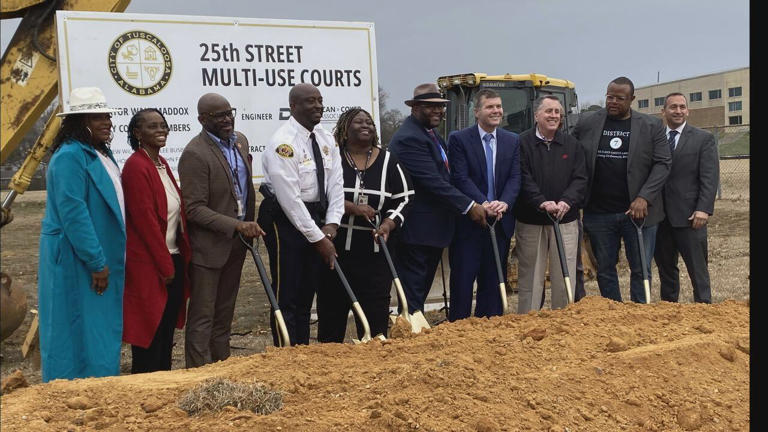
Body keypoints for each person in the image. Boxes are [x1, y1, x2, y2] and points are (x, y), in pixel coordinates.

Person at [37, 87, 125, 382]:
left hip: (98, 256)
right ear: (78, 121)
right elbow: (73, 213)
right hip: (76, 258)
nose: (107, 122)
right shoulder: (69, 157)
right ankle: (68, 389)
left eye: (107, 115)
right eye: (97, 116)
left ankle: (99, 382)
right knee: (72, 325)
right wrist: (96, 262)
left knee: (97, 326)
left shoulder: (99, 153)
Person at [178, 93, 264, 368]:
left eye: (229, 113)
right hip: (209, 248)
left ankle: (222, 368)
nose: (227, 119)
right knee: (203, 316)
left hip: (237, 244)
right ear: (202, 120)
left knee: (225, 313)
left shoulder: (239, 141)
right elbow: (194, 209)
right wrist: (237, 224)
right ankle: (199, 374)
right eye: (218, 116)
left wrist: (242, 227)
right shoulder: (195, 153)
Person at [388, 83, 488, 316]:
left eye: (440, 107)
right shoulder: (409, 139)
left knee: (419, 290)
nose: (438, 111)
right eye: (430, 107)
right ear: (415, 108)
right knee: (413, 292)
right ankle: (409, 335)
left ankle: (414, 331)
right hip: (417, 232)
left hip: (432, 231)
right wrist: (469, 205)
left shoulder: (430, 134)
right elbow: (434, 182)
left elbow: (448, 175)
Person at [315, 108, 414, 341]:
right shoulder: (332, 157)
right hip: (335, 250)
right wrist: (352, 208)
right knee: (332, 312)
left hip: (374, 252)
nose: (365, 125)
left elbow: (406, 197)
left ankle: (374, 365)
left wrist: (389, 223)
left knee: (375, 316)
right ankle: (331, 365)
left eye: (369, 122)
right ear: (344, 130)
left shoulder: (389, 160)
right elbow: (319, 195)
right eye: (358, 122)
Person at [259, 83, 344, 345]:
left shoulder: (326, 138)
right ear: (293, 106)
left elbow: (336, 183)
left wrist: (331, 224)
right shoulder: (283, 143)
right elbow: (290, 200)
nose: (318, 106)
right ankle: (286, 352)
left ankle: (302, 350)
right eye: (310, 101)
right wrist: (317, 239)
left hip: (317, 216)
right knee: (288, 292)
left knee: (307, 291)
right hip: (285, 219)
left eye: (320, 100)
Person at [572, 76, 671, 303]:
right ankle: (613, 313)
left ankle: (639, 314)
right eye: (609, 96)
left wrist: (644, 197)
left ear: (632, 99)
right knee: (605, 269)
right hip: (598, 213)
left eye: (620, 98)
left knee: (641, 268)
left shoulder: (651, 126)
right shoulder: (587, 122)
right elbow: (571, 155)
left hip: (638, 214)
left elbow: (663, 163)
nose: (613, 102)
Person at [122, 108, 192, 373]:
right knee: (149, 332)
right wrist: (165, 267)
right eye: (153, 126)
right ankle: (144, 390)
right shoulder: (136, 166)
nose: (161, 130)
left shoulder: (160, 164)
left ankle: (162, 388)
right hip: (152, 265)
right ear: (137, 133)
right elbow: (146, 222)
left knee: (165, 333)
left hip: (172, 258)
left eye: (163, 125)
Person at [446, 89, 521, 320]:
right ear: (476, 112)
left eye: (499, 106)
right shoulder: (459, 139)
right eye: (490, 107)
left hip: (499, 223)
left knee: (493, 282)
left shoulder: (512, 140)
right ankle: (458, 331)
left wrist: (504, 203)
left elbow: (515, 177)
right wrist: (483, 203)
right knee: (463, 281)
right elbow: (460, 177)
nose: (496, 110)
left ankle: (491, 331)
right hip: (470, 224)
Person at [514, 95, 587, 313]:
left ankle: (563, 320)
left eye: (557, 112)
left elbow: (580, 178)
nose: (553, 116)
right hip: (531, 221)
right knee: (530, 277)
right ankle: (527, 321)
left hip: (565, 221)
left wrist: (566, 201)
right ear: (537, 115)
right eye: (548, 111)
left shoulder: (572, 145)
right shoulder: (521, 143)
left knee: (564, 275)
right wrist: (541, 202)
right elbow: (522, 177)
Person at [654, 93, 719, 303]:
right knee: (666, 270)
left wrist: (703, 209)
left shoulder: (703, 139)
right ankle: (669, 309)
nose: (678, 111)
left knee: (698, 270)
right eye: (673, 107)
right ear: (663, 111)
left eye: (682, 107)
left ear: (688, 111)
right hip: (660, 217)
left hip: (691, 217)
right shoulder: (655, 139)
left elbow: (710, 178)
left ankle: (704, 309)